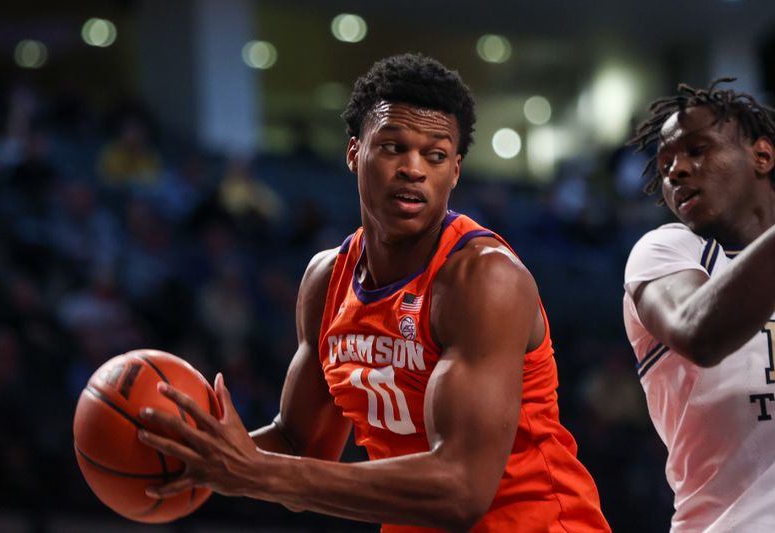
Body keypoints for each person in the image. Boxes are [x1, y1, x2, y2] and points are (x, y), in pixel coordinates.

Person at [138, 53, 610, 532]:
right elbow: (301, 447)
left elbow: (461, 489)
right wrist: (192, 453)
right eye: (392, 147)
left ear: (456, 171)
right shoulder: (327, 280)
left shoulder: (483, 279)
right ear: (353, 153)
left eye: (436, 154)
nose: (413, 169)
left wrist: (258, 472)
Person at [623, 78, 775, 532]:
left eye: (697, 150)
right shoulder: (666, 252)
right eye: (666, 162)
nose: (676, 171)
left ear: (762, 156)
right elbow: (699, 334)